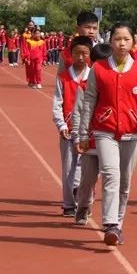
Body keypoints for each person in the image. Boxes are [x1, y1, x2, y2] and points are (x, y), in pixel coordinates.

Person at [76, 23, 137, 246]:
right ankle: (110, 224)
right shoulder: (99, 68)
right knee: (111, 174)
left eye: (126, 39)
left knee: (124, 181)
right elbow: (89, 100)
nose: (122, 44)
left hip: (131, 132)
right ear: (110, 41)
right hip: (104, 131)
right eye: (117, 39)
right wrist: (84, 133)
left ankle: (118, 224)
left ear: (134, 42)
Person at [52, 36, 93, 216]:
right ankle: (68, 204)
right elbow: (57, 103)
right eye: (77, 53)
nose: (81, 57)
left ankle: (84, 200)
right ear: (71, 54)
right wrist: (61, 125)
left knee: (88, 169)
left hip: (87, 131)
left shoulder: (93, 76)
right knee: (69, 167)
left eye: (85, 53)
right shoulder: (63, 77)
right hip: (68, 130)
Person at [73, 43, 112, 226]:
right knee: (87, 180)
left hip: (111, 140)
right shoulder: (84, 85)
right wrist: (79, 136)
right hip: (90, 141)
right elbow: (78, 112)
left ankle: (110, 218)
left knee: (110, 180)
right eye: (100, 64)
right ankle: (82, 206)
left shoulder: (115, 85)